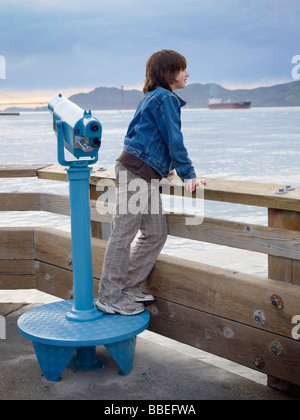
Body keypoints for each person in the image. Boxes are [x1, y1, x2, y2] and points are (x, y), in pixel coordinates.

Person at [96, 49, 205, 315]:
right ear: (169, 73)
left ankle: (128, 288)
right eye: (182, 69)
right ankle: (109, 296)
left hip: (144, 173)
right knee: (122, 234)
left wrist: (165, 168)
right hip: (136, 173)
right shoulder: (165, 98)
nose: (187, 74)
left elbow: (146, 136)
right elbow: (173, 138)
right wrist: (188, 174)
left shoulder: (152, 97)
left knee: (156, 232)